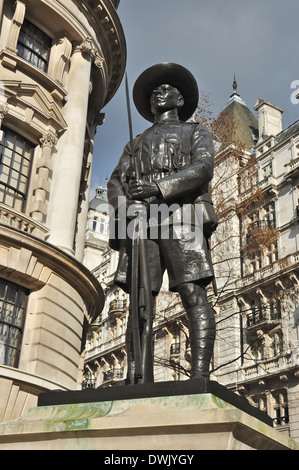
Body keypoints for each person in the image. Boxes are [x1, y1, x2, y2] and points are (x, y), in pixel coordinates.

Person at [107, 63, 217, 384]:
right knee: (140, 300)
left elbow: (203, 168)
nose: (158, 92)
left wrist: (157, 188)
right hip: (142, 222)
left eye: (166, 89)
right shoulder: (135, 143)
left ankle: (199, 375)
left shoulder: (196, 132)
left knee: (193, 294)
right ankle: (137, 376)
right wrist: (128, 208)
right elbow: (116, 183)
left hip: (183, 217)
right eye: (155, 91)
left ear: (180, 100)